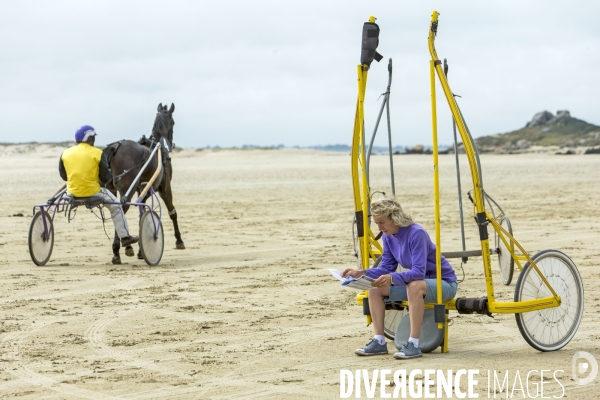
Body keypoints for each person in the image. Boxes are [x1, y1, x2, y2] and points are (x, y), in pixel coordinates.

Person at [342, 195, 457, 359]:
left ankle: (414, 344)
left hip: (443, 283)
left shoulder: (416, 233)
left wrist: (392, 278)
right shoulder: (388, 236)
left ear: (394, 218)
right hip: (418, 284)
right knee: (374, 288)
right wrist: (361, 273)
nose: (379, 228)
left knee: (414, 285)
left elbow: (418, 272)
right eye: (376, 224)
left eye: (382, 222)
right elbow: (386, 267)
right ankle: (379, 341)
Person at [59, 125, 139, 248]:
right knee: (116, 207)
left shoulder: (65, 153)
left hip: (71, 193)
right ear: (90, 138)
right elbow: (106, 178)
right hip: (94, 193)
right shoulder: (98, 153)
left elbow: (64, 177)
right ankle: (125, 237)